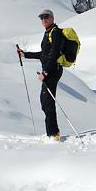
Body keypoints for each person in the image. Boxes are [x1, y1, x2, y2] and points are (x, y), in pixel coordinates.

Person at [17, 9, 63, 142]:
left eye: (46, 17)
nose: (44, 19)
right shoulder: (48, 32)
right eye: (42, 18)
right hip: (49, 70)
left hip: (53, 70)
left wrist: (45, 72)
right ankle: (53, 132)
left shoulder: (55, 33)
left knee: (47, 102)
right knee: (45, 102)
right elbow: (43, 54)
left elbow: (54, 54)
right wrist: (25, 54)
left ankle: (53, 134)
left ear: (52, 18)